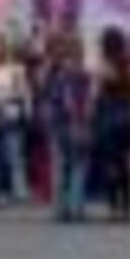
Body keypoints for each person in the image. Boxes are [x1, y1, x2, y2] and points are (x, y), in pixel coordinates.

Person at [93, 28, 130, 222]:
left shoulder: (104, 68)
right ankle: (127, 206)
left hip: (109, 121)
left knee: (111, 166)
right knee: (124, 165)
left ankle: (114, 208)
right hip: (127, 120)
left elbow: (96, 96)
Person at [42, 34, 93, 222]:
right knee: (78, 166)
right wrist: (80, 123)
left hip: (58, 124)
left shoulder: (56, 74)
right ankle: (76, 207)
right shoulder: (83, 75)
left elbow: (53, 99)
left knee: (60, 166)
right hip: (74, 123)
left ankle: (60, 208)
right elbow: (76, 101)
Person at [0, 40, 32, 203]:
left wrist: (25, 110)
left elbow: (23, 93)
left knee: (12, 154)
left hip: (10, 115)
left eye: (0, 50)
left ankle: (16, 189)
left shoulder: (15, 70)